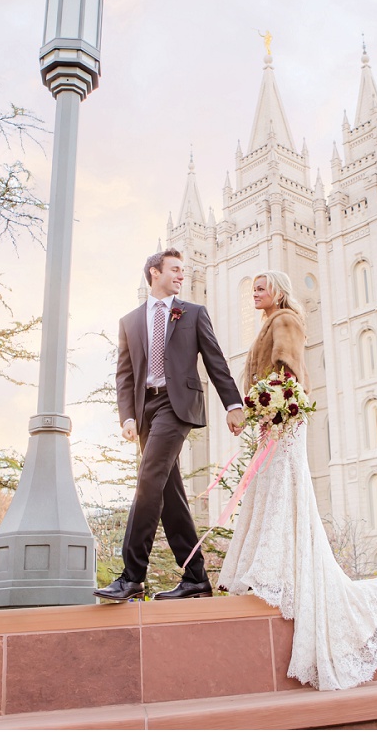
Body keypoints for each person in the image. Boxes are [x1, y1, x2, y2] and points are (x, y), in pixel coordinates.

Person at [218, 271, 377, 690]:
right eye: (252, 288)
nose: (255, 293)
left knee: (283, 486)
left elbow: (288, 372)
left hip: (285, 419)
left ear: (278, 290)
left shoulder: (285, 320)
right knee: (270, 488)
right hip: (272, 420)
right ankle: (277, 564)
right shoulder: (267, 324)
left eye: (261, 287)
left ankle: (280, 570)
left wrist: (272, 407)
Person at [95, 249, 245, 602]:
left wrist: (233, 403)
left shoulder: (192, 313)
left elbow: (214, 359)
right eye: (174, 269)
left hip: (177, 405)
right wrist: (128, 417)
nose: (181, 275)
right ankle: (195, 577)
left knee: (148, 478)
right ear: (154, 273)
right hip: (146, 411)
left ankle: (132, 576)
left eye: (183, 270)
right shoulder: (129, 321)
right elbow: (124, 375)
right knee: (169, 493)